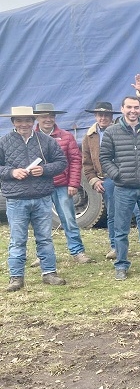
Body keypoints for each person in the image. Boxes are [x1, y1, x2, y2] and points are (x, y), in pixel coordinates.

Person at [0, 106, 68, 291]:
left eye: (28, 120)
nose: (24, 124)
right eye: (20, 120)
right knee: (17, 239)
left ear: (33, 121)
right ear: (13, 122)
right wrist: (12, 172)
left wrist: (44, 170)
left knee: (45, 238)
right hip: (16, 199)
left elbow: (62, 162)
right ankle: (16, 278)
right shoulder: (4, 142)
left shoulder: (46, 141)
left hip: (42, 197)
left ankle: (49, 273)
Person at [82, 79, 140, 260]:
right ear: (95, 116)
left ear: (113, 116)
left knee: (139, 212)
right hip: (106, 180)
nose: (103, 118)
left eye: (106, 115)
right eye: (99, 115)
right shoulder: (89, 137)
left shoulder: (122, 128)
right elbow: (86, 163)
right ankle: (115, 246)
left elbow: (137, 113)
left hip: (125, 176)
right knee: (113, 214)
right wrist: (94, 180)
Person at [99, 93, 140, 281]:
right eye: (129, 107)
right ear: (122, 109)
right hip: (123, 188)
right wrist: (118, 175)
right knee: (121, 228)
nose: (133, 111)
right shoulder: (111, 132)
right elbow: (105, 158)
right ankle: (121, 264)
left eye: (136, 107)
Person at [33, 103, 92, 264]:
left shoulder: (66, 136)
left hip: (62, 185)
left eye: (51, 116)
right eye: (44, 116)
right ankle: (43, 254)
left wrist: (73, 183)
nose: (48, 119)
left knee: (69, 219)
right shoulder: (31, 138)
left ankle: (77, 251)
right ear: (37, 118)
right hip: (39, 187)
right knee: (42, 221)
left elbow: (75, 161)